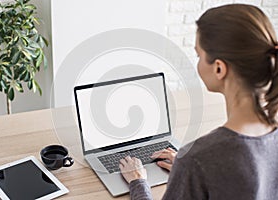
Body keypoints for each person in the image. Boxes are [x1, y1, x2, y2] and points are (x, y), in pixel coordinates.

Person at [119, 4, 278, 200]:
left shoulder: (198, 159)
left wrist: (138, 183)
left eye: (199, 55)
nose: (198, 63)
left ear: (219, 68)